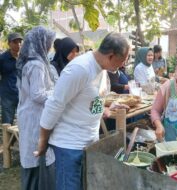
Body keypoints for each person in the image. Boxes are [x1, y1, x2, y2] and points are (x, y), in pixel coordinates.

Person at [34, 32, 129, 190]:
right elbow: (54, 104)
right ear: (111, 56)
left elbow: (93, 100)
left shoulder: (103, 69)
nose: (124, 64)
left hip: (90, 142)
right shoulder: (80, 68)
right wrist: (43, 140)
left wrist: (105, 109)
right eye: (123, 59)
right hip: (69, 146)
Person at [16, 26, 56, 190]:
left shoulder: (29, 61)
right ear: (41, 42)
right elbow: (37, 94)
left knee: (34, 154)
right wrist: (57, 93)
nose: (50, 46)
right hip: (35, 115)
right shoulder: (36, 64)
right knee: (38, 154)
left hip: (29, 113)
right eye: (49, 42)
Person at [0, 32, 22, 125]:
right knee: (8, 123)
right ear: (9, 43)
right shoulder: (2, 59)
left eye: (20, 42)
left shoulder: (24, 58)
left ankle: (19, 140)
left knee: (22, 121)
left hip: (22, 94)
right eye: (15, 42)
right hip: (7, 95)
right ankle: (6, 140)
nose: (18, 44)